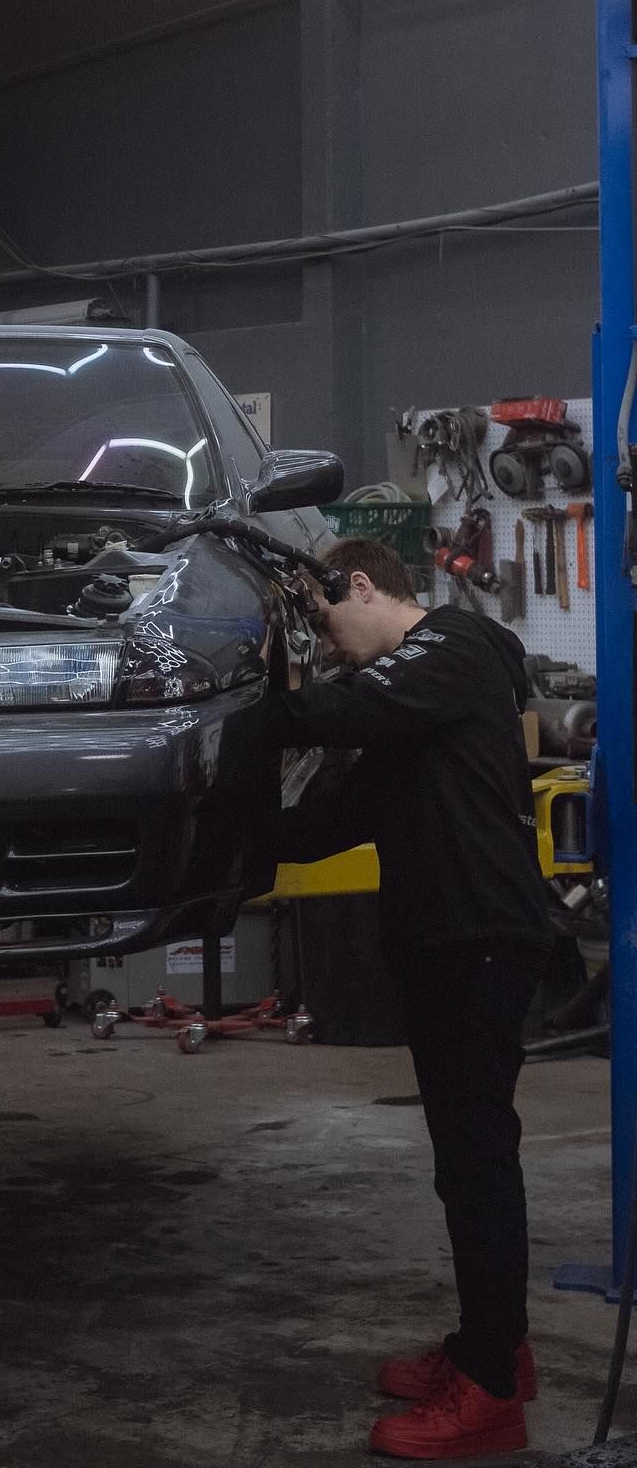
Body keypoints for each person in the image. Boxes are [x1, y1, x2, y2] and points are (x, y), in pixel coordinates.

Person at [270, 538, 554, 1462]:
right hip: (444, 945)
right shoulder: (409, 713)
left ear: (362, 583)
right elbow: (327, 824)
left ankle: (492, 1397)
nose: (328, 641)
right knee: (461, 1161)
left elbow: (340, 707)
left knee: (478, 1163)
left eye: (324, 618)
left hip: (480, 937)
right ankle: (490, 1347)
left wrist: (249, 714)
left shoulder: (457, 647)